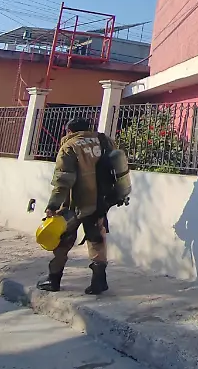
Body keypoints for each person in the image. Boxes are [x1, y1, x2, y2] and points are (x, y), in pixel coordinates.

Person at [38, 118, 130, 295]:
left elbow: (63, 181)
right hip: (100, 202)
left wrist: (52, 205)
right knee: (97, 240)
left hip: (75, 204)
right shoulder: (104, 141)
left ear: (69, 130)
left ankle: (53, 279)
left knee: (63, 239)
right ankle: (99, 281)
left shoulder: (70, 146)